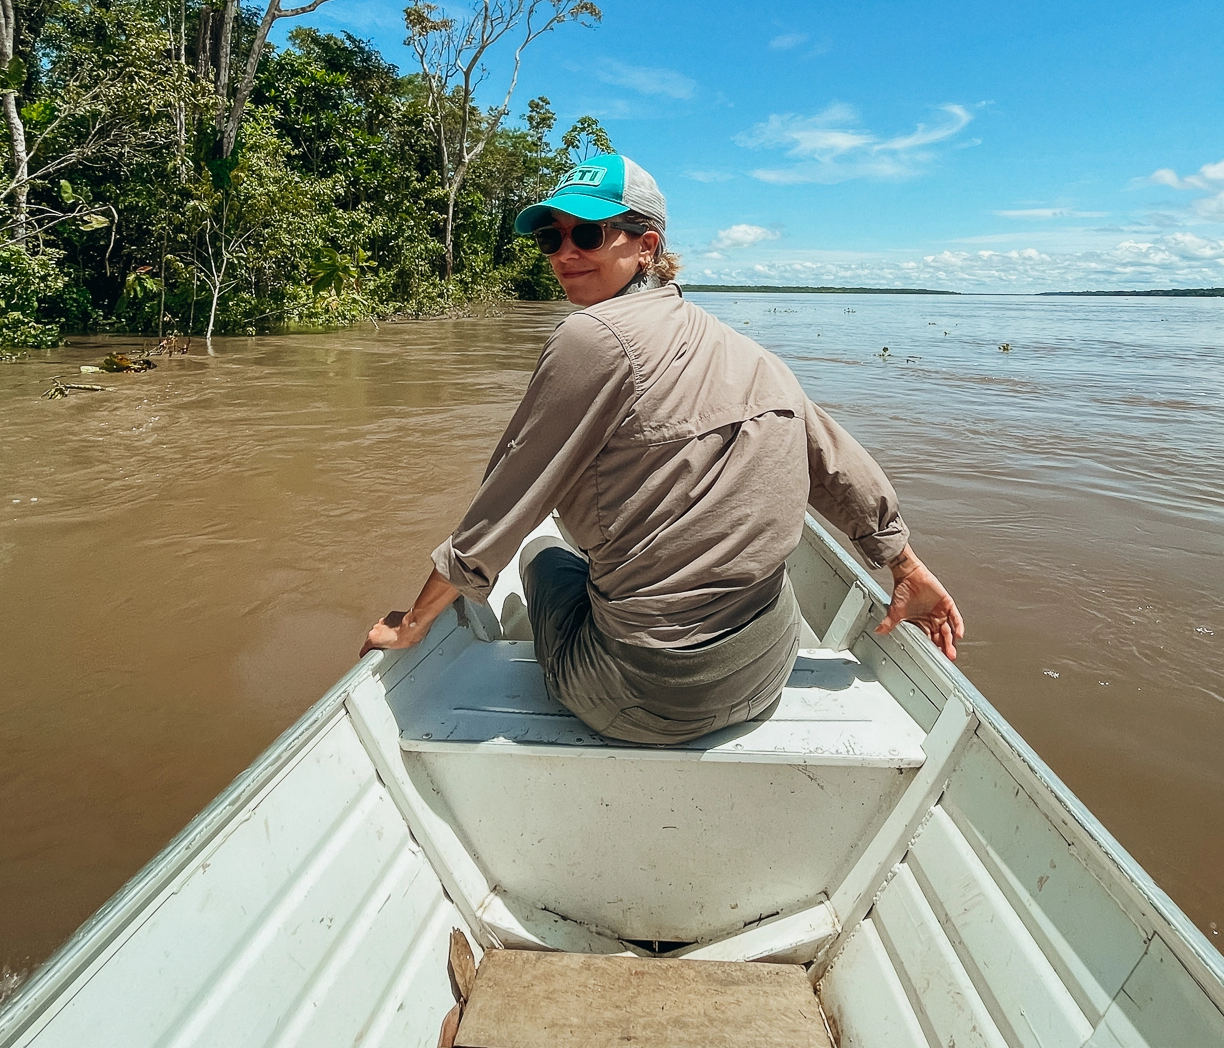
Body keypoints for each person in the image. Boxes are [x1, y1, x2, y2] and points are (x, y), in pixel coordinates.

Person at [362, 153, 963, 746]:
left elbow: (506, 503)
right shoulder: (752, 354)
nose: (565, 253)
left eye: (589, 234)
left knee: (544, 551)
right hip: (768, 668)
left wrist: (413, 625)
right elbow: (837, 465)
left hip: (643, 698)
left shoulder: (588, 337)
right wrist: (905, 565)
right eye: (551, 237)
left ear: (646, 246)